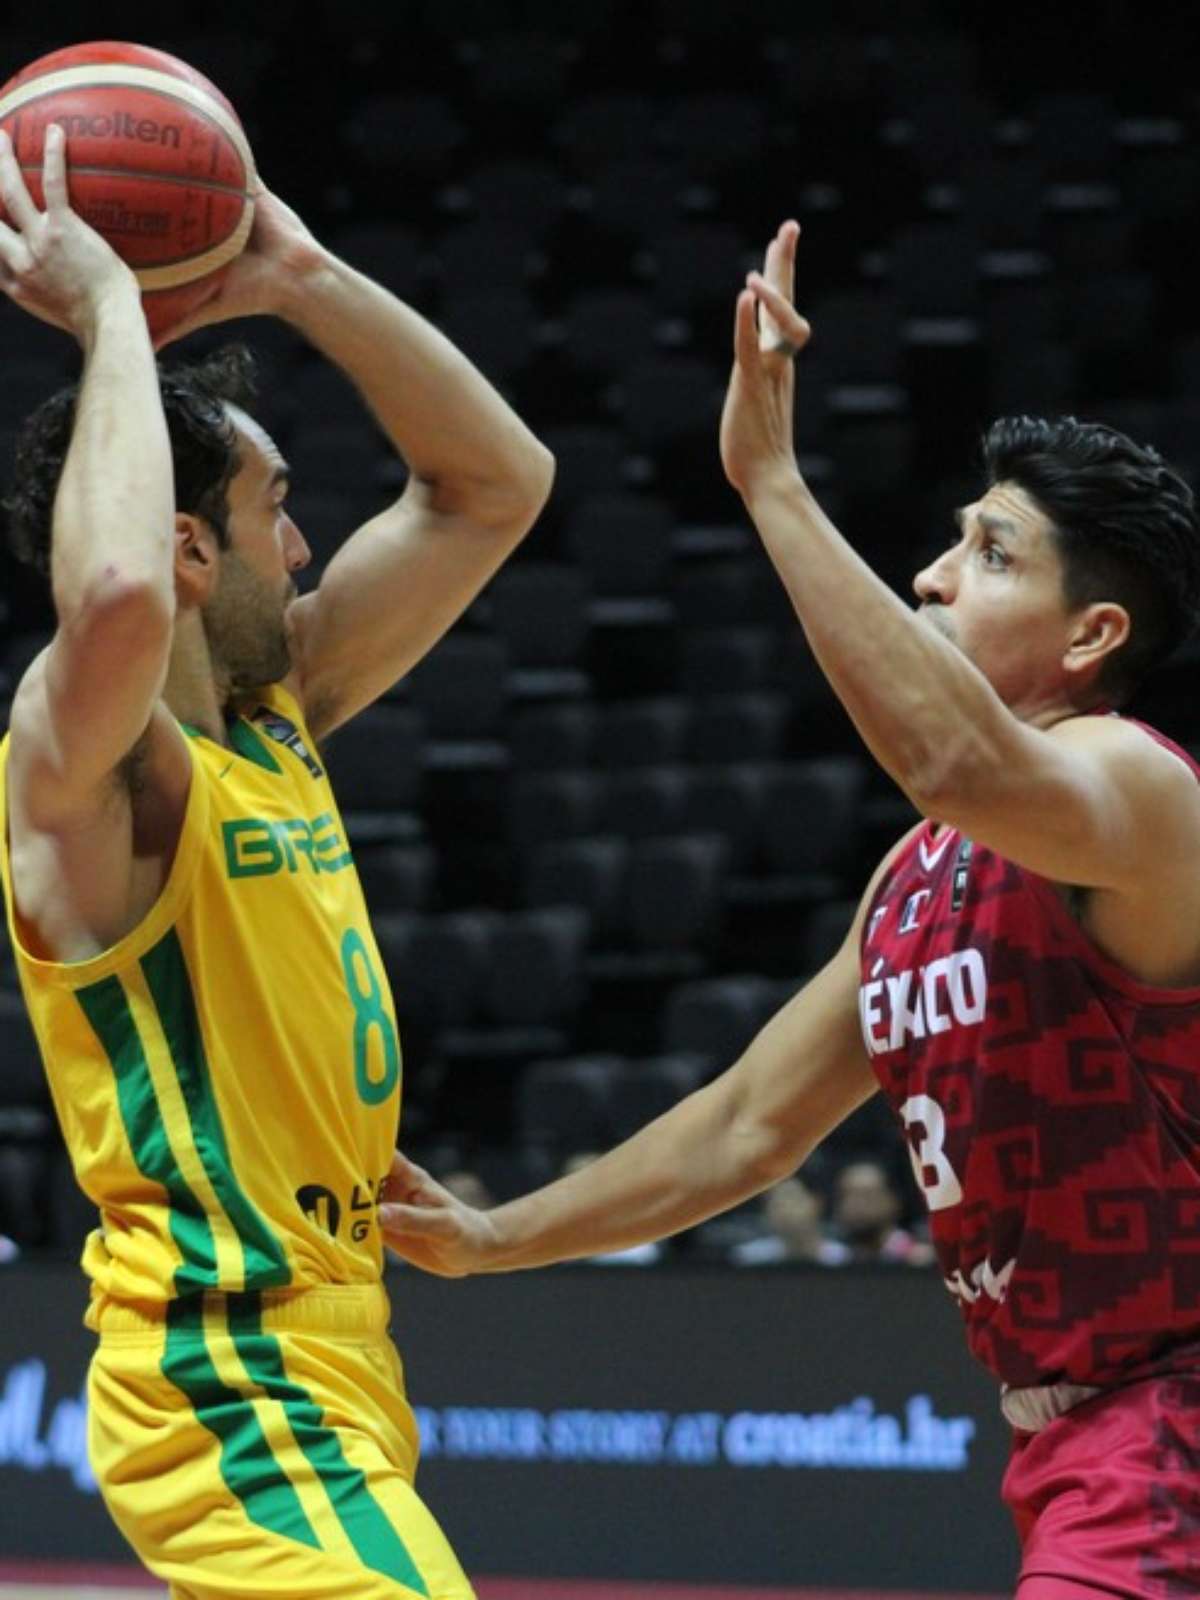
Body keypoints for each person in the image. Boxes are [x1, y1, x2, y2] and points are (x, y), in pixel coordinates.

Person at [382, 220, 1200, 1599]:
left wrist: (770, 480)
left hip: (1170, 1417)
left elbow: (950, 752)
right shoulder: (920, 873)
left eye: (991, 555)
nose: (935, 575)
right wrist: (494, 1239)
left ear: (1091, 637)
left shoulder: (1139, 792)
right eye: (951, 545)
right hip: (1067, 1439)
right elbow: (752, 1123)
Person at [0, 126, 552, 1600]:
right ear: (192, 551)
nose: (305, 549)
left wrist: (303, 278)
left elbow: (494, 485)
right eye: (276, 512)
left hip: (337, 1344)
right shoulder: (83, 766)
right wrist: (110, 309)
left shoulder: (272, 714)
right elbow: (110, 593)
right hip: (225, 1373)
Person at [828, 1156, 933, 1266]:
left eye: (867, 1196)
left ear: (894, 1201)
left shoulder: (919, 1259)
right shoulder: (829, 1258)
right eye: (847, 1196)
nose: (857, 1205)